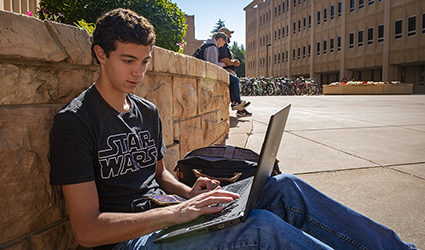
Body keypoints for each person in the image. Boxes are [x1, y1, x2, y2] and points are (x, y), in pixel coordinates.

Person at [49, 8, 417, 250]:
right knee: (260, 229)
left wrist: (189, 191)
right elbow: (87, 230)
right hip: (133, 241)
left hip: (171, 216)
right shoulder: (75, 122)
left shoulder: (146, 110)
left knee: (285, 188)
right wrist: (175, 213)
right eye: (128, 61)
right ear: (100, 54)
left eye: (145, 62)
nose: (139, 73)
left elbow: (159, 174)